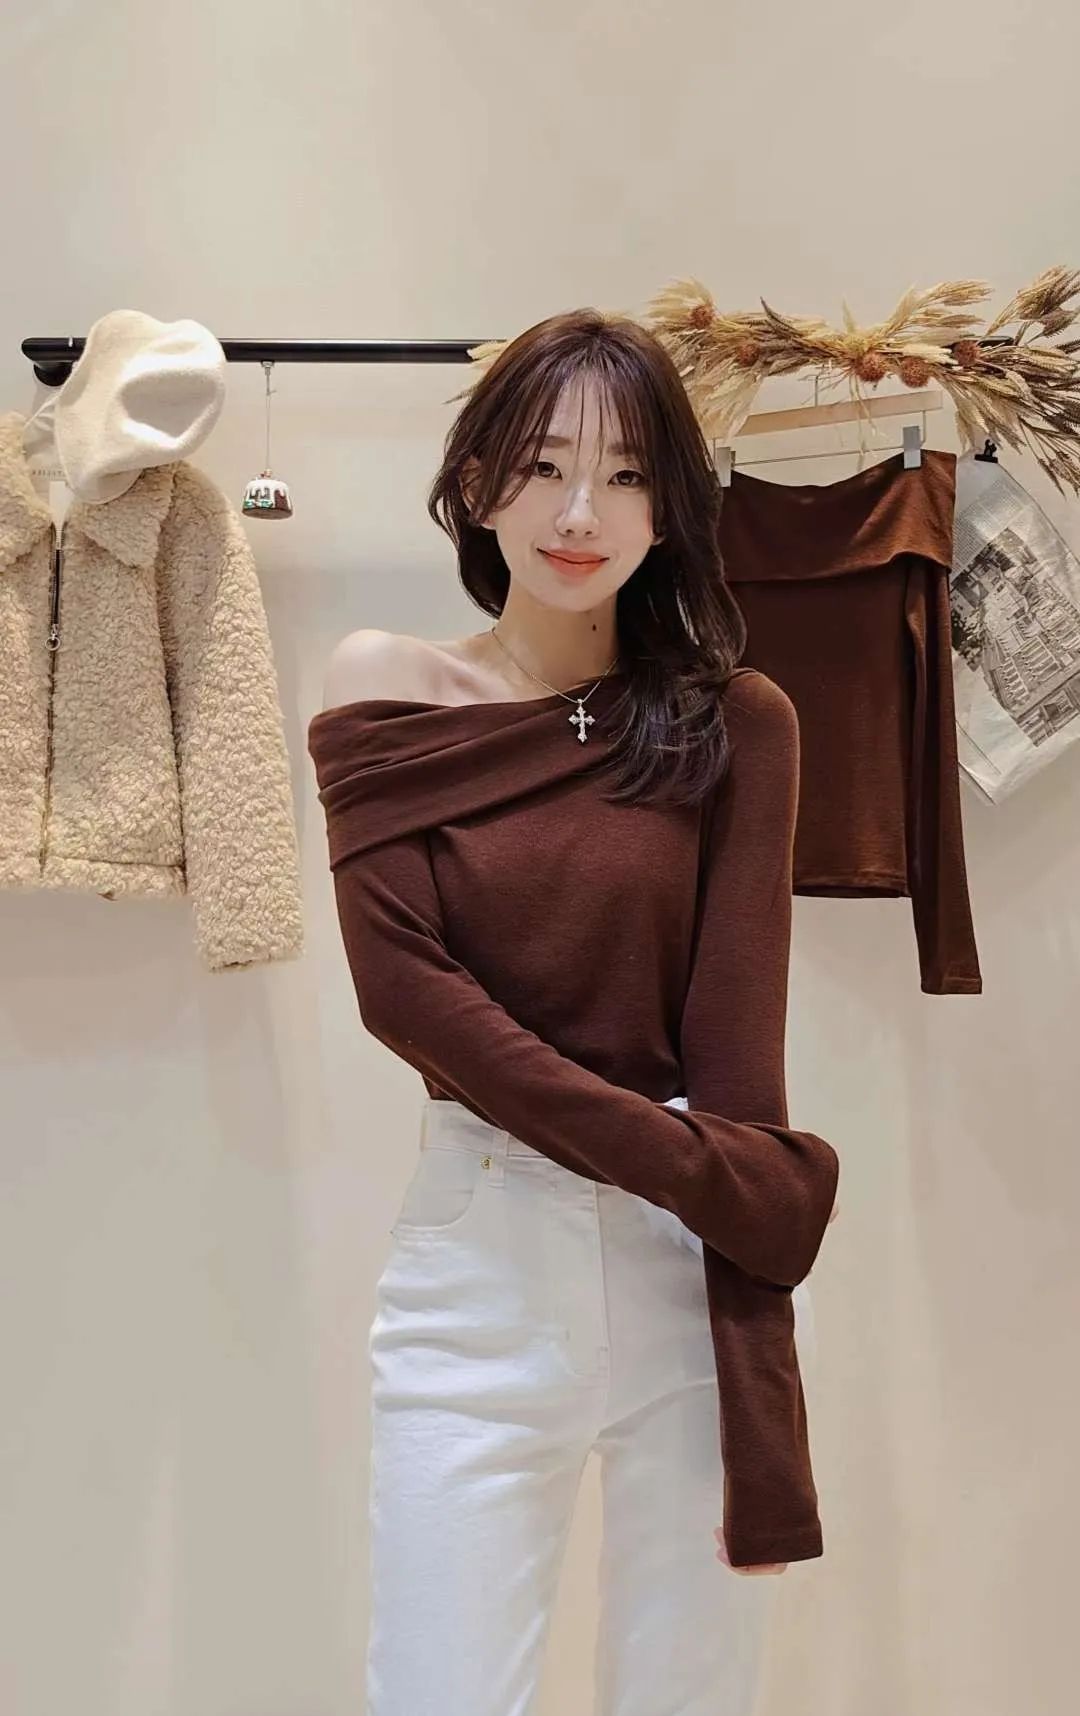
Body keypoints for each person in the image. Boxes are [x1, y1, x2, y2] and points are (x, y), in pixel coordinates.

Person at [307, 309, 840, 1716]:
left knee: (690, 1695)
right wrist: (712, 1173)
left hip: (684, 1278)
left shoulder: (738, 727)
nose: (580, 513)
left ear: (670, 509)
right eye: (544, 467)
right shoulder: (387, 688)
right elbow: (406, 996)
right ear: (478, 484)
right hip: (480, 1264)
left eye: (625, 474)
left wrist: (761, 1384)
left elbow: (741, 1080)